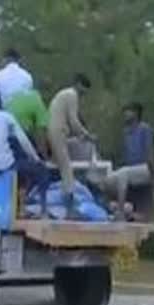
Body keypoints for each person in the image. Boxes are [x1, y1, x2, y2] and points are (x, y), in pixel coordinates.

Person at [0, 90, 48, 216]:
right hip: (7, 165)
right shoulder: (6, 117)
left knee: (20, 169)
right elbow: (23, 140)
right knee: (40, 170)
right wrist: (35, 157)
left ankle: (19, 205)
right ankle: (41, 209)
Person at [47, 73, 96, 219]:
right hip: (58, 131)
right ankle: (70, 209)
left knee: (57, 166)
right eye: (84, 89)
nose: (84, 93)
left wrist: (80, 135)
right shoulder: (72, 94)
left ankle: (59, 204)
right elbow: (74, 120)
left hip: (54, 131)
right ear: (78, 84)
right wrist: (87, 135)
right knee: (67, 169)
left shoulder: (63, 94)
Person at [104, 102, 154, 217]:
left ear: (136, 113)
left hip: (143, 168)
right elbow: (125, 155)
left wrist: (153, 173)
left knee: (123, 174)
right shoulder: (125, 132)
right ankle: (116, 208)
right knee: (108, 180)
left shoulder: (144, 129)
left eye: (129, 111)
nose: (126, 114)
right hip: (130, 169)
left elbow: (149, 151)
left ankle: (121, 212)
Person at [6, 88, 49, 158]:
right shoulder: (36, 100)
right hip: (22, 135)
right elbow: (41, 131)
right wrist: (45, 157)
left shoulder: (8, 101)